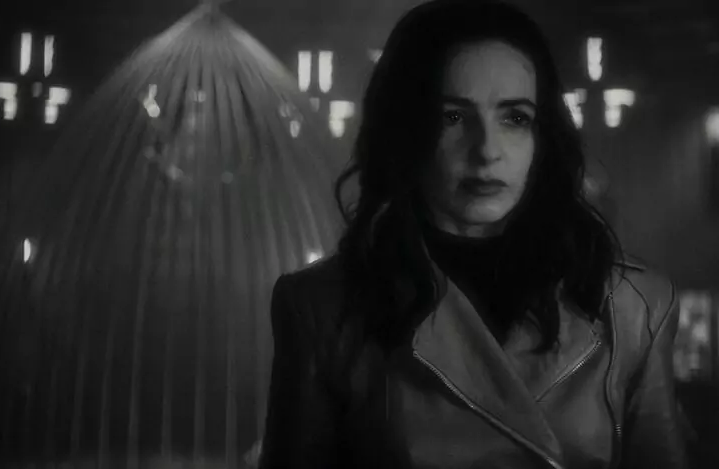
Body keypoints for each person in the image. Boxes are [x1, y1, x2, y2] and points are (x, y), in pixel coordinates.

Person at [259, 1, 687, 468]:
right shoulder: (322, 308)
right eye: (453, 117)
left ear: (543, 136)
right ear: (405, 130)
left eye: (515, 118)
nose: (486, 150)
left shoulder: (633, 308)